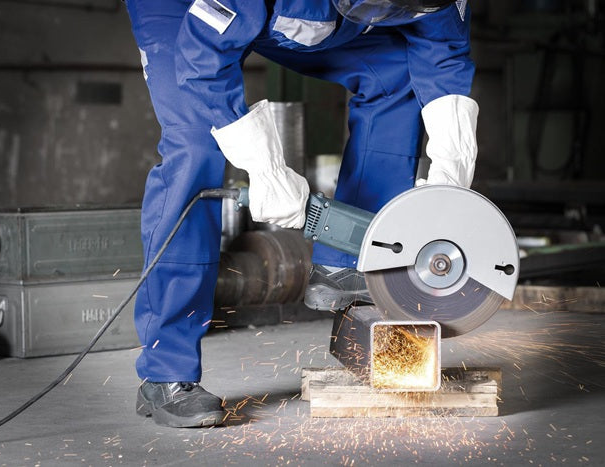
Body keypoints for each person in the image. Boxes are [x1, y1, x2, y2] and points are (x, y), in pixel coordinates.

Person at [125, 0, 478, 428]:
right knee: (196, 143)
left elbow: (444, 53)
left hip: (285, 16)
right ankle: (167, 371)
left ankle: (349, 261)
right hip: (184, 12)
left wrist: (452, 169)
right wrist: (265, 168)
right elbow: (201, 59)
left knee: (396, 77)